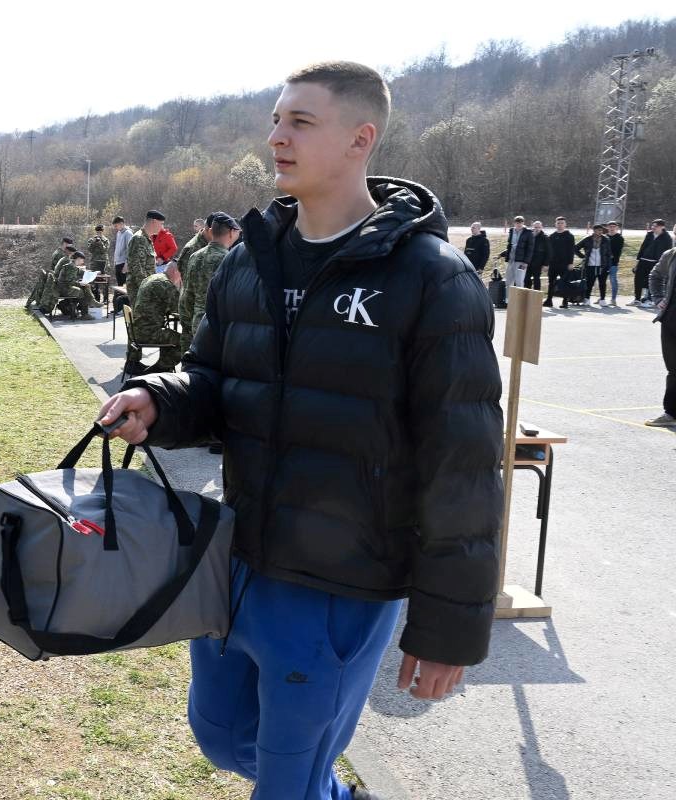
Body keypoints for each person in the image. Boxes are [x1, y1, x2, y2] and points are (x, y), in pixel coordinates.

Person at [98, 61, 502, 800]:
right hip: (238, 558)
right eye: (276, 121)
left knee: (288, 780)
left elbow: (464, 468)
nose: (276, 137)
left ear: (360, 139)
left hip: (342, 582)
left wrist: (448, 629)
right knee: (221, 738)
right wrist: (162, 400)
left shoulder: (432, 279)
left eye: (300, 123)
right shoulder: (248, 261)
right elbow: (215, 380)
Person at [179, 212, 240, 354]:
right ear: (231, 232)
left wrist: (191, 320)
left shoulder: (195, 256)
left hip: (196, 322)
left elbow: (187, 295)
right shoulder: (230, 260)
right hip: (218, 326)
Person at [123, 264, 181, 375]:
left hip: (135, 332)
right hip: (148, 333)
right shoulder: (166, 284)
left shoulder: (151, 278)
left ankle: (133, 363)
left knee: (169, 333)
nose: (181, 279)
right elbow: (180, 309)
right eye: (181, 275)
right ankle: (161, 369)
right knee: (183, 341)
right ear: (175, 272)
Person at [646, 245, 676, 427]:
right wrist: (658, 298)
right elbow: (655, 275)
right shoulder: (671, 254)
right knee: (673, 369)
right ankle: (671, 413)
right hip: (671, 318)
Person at [126, 210, 164, 303]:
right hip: (141, 290)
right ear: (154, 221)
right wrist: (147, 289)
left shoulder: (146, 239)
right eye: (161, 224)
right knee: (142, 317)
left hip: (145, 288)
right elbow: (137, 268)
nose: (162, 227)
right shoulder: (139, 239)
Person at [635, 220, 672, 308]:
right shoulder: (649, 234)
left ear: (662, 227)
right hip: (643, 260)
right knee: (638, 279)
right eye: (652, 226)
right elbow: (643, 247)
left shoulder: (667, 237)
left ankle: (650, 300)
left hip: (655, 262)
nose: (653, 227)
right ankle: (637, 299)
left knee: (651, 280)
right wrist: (638, 260)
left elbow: (668, 252)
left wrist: (663, 263)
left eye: (655, 226)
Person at [53, 250, 96, 319]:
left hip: (64, 287)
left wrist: (93, 273)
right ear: (78, 259)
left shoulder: (72, 265)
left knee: (84, 288)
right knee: (81, 291)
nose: (83, 262)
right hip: (64, 289)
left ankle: (66, 306)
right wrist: (80, 283)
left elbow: (80, 272)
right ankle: (85, 313)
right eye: (82, 260)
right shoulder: (71, 267)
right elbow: (69, 282)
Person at [576, 224, 612, 306]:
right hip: (590, 265)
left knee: (602, 283)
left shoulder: (606, 240)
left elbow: (609, 254)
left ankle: (602, 299)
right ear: (594, 230)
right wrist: (583, 256)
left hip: (602, 265)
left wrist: (608, 266)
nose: (600, 232)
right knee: (589, 283)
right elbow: (575, 248)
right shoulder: (587, 239)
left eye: (601, 230)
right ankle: (587, 299)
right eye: (598, 230)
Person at [544, 216, 575, 308]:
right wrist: (547, 264)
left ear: (565, 224)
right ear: (555, 224)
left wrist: (570, 263)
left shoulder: (569, 236)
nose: (560, 225)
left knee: (564, 282)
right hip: (553, 264)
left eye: (562, 223)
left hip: (565, 263)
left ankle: (565, 301)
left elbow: (571, 251)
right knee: (551, 282)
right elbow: (548, 251)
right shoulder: (552, 236)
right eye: (558, 223)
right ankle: (549, 300)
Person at [499, 215, 533, 288]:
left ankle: (519, 299)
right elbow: (510, 246)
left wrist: (526, 262)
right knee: (508, 282)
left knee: (519, 282)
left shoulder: (528, 233)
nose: (519, 224)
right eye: (517, 222)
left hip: (521, 262)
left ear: (523, 223)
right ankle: (508, 299)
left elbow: (530, 249)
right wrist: (501, 254)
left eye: (521, 222)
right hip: (511, 261)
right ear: (514, 223)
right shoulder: (511, 231)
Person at [85, 225, 110, 302]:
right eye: (97, 232)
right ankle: (96, 297)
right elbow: (90, 250)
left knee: (105, 281)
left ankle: (105, 298)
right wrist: (94, 243)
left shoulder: (106, 240)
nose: (99, 233)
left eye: (100, 232)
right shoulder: (92, 240)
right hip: (94, 262)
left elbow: (105, 250)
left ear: (102, 231)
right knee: (94, 281)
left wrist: (100, 243)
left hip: (103, 262)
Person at [525, 220, 549, 291]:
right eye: (535, 227)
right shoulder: (529, 236)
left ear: (541, 227)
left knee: (536, 280)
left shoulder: (545, 238)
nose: (537, 229)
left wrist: (546, 264)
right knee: (526, 279)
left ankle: (536, 297)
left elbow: (548, 252)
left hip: (538, 263)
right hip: (528, 262)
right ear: (533, 227)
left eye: (538, 227)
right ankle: (527, 295)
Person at [606, 220, 624, 306]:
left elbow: (618, 252)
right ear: (607, 227)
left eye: (614, 227)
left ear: (616, 228)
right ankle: (601, 297)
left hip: (613, 263)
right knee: (602, 281)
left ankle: (613, 299)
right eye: (610, 226)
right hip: (603, 263)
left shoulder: (619, 238)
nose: (612, 228)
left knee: (613, 280)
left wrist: (613, 258)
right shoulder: (604, 237)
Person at [112, 216, 132, 286]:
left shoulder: (128, 233)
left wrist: (127, 264)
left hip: (124, 263)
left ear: (121, 223)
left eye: (116, 226)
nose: (115, 228)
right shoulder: (118, 233)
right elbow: (117, 248)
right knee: (119, 284)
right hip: (118, 262)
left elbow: (130, 250)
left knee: (124, 285)